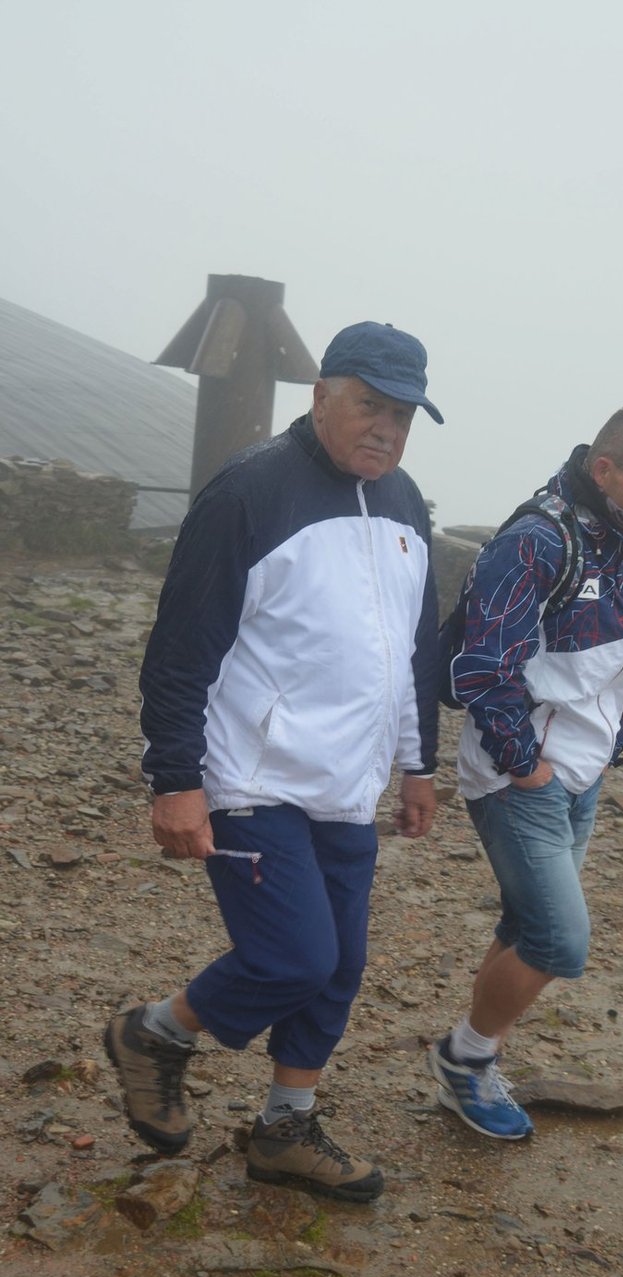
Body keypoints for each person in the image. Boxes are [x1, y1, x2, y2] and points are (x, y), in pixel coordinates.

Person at [105, 321, 442, 1201]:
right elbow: (181, 649)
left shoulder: (404, 504)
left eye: (403, 414)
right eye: (370, 404)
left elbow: (412, 651)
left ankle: (286, 1127)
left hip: (346, 785)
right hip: (250, 778)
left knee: (339, 967)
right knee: (292, 957)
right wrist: (176, 780)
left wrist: (418, 763)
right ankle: (155, 1034)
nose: (386, 428)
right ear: (322, 393)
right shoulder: (249, 492)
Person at [430, 406, 623, 1139]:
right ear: (603, 469)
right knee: (559, 940)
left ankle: (473, 1063)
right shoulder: (536, 541)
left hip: (585, 770)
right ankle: (463, 1060)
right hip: (522, 776)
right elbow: (483, 667)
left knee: (525, 920)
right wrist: (525, 766)